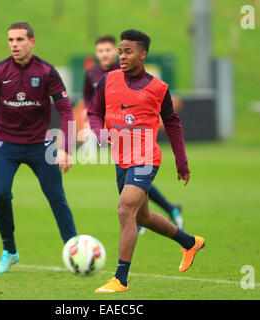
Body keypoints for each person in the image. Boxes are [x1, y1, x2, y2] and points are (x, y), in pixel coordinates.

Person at [87, 29, 205, 293]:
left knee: (125, 209)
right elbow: (93, 112)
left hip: (145, 158)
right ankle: (190, 242)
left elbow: (173, 124)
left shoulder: (158, 88)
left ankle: (121, 278)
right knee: (143, 218)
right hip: (120, 158)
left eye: (128, 51)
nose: (122, 56)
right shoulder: (108, 80)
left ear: (143, 54)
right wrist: (99, 132)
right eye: (120, 51)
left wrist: (182, 162)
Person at [0, 22, 77, 274]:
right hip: (5, 146)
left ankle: (75, 251)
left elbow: (65, 109)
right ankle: (9, 250)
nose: (14, 45)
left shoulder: (46, 71)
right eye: (11, 40)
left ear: (32, 42)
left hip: (40, 146)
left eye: (19, 39)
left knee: (56, 198)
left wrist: (66, 147)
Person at [84, 35, 184, 231]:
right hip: (116, 142)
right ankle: (165, 213)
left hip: (139, 144)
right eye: (100, 51)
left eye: (109, 50)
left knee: (133, 190)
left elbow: (167, 115)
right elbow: (90, 103)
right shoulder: (93, 76)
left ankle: (156, 213)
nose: (105, 54)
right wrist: (99, 128)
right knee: (134, 196)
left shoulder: (127, 72)